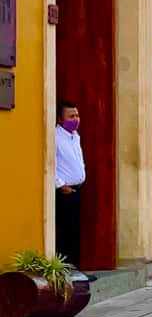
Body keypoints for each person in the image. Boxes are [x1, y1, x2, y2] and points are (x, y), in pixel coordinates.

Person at [54, 101, 86, 270]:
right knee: (65, 233)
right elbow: (49, 163)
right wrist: (60, 185)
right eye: (71, 116)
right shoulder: (55, 137)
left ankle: (75, 270)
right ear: (60, 119)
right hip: (63, 192)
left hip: (76, 190)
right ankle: (64, 270)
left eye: (77, 115)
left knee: (75, 232)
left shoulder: (75, 136)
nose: (76, 119)